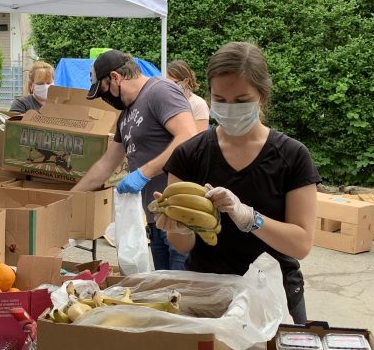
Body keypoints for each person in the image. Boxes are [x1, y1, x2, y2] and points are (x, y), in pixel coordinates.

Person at [158, 42, 320, 323]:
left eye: (242, 100)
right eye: (220, 99)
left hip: (273, 294)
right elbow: (182, 246)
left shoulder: (292, 156)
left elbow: (301, 245)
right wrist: (178, 227)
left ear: (262, 97)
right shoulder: (188, 155)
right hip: (207, 295)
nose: (229, 108)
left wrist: (250, 218)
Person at [72, 50, 198, 270]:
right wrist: (70, 197)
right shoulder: (126, 115)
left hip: (181, 216)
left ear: (115, 77)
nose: (104, 98)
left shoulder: (159, 91)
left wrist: (143, 173)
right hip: (156, 218)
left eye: (103, 91)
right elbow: (106, 164)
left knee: (181, 285)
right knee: (164, 287)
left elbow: (188, 136)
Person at [166, 59, 210, 131]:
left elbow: (199, 135)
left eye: (174, 83)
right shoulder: (165, 101)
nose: (169, 86)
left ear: (186, 81)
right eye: (167, 82)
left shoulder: (199, 104)